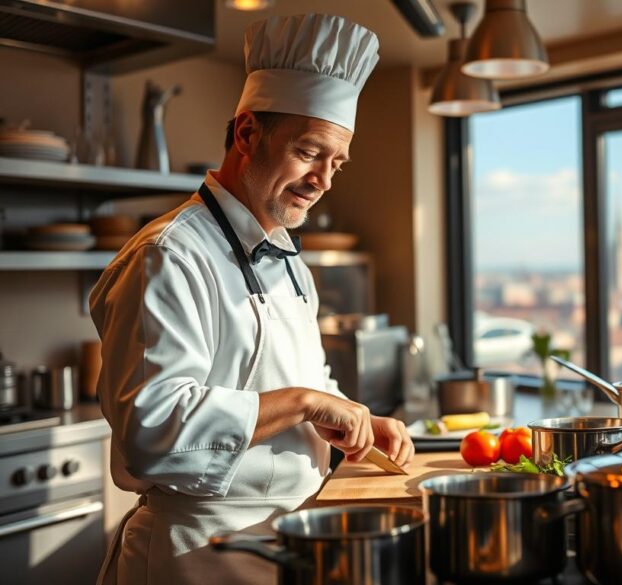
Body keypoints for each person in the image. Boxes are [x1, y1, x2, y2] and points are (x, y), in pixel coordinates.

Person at [90, 14, 413, 584]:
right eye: (310, 152)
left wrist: (357, 420)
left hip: (286, 537)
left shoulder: (288, 259)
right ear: (246, 135)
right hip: (195, 554)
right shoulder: (169, 254)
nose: (324, 180)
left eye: (336, 163)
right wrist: (304, 404)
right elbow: (150, 429)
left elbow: (300, 377)